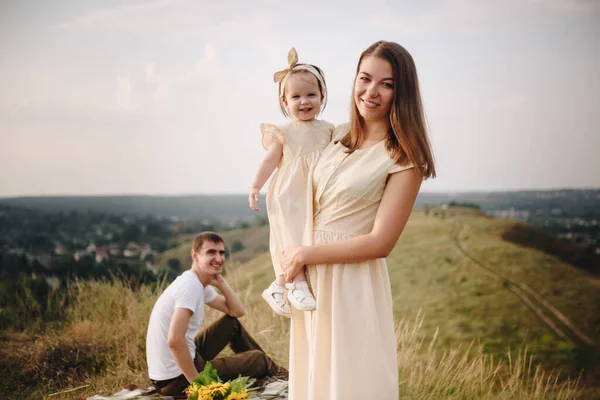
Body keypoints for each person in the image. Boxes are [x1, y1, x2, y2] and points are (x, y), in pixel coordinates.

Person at [281, 41, 436, 400]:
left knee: (350, 382)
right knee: (315, 380)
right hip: (311, 278)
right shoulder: (335, 137)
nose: (372, 91)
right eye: (365, 78)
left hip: (352, 281)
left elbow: (382, 243)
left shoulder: (403, 157)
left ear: (403, 92)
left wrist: (304, 254)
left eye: (387, 83)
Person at [249, 48, 334, 318]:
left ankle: (278, 286)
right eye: (295, 97)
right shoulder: (284, 132)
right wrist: (255, 187)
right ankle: (296, 283)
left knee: (309, 237)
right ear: (285, 102)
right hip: (288, 194)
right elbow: (269, 162)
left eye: (311, 95)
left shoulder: (329, 130)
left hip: (312, 192)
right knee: (293, 237)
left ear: (322, 97)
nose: (304, 101)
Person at [146, 231, 285, 396]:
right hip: (175, 379)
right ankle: (285, 378)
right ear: (195, 255)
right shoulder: (190, 287)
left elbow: (237, 312)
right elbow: (175, 341)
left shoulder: (196, 283)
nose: (219, 258)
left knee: (230, 324)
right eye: (211, 252)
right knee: (258, 359)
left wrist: (221, 283)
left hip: (175, 368)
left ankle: (269, 371)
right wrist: (199, 386)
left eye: (221, 253)